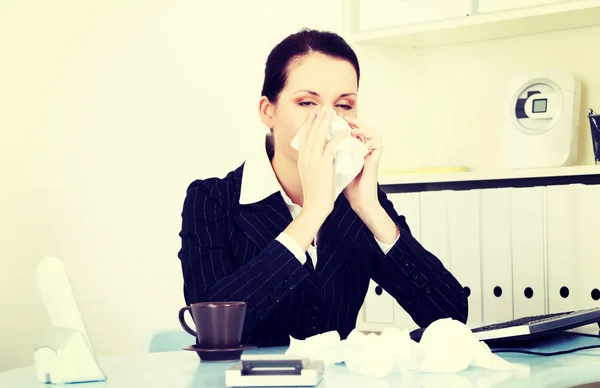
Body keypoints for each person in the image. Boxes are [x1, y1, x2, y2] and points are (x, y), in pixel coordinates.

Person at [177, 28, 468, 347]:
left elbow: (450, 315)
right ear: (268, 110)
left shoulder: (358, 197)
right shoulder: (212, 199)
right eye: (306, 102)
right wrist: (312, 213)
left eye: (343, 106)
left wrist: (370, 209)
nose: (328, 120)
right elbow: (214, 331)